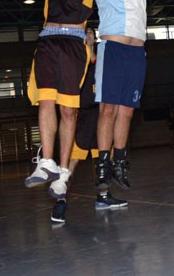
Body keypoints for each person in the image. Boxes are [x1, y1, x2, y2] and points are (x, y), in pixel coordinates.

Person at [24, 0, 104, 222]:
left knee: (69, 111)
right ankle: (46, 162)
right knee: (45, 102)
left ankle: (64, 172)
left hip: (73, 42)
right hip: (47, 39)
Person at [80, 0, 147, 191]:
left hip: (136, 52)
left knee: (127, 111)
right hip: (112, 49)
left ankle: (119, 161)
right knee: (107, 108)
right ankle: (102, 165)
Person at [51, 27, 127, 223]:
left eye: (91, 32)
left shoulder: (102, 59)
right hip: (81, 116)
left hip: (101, 116)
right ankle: (60, 202)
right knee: (71, 161)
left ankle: (103, 196)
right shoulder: (75, 59)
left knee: (104, 159)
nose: (89, 35)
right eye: (85, 32)